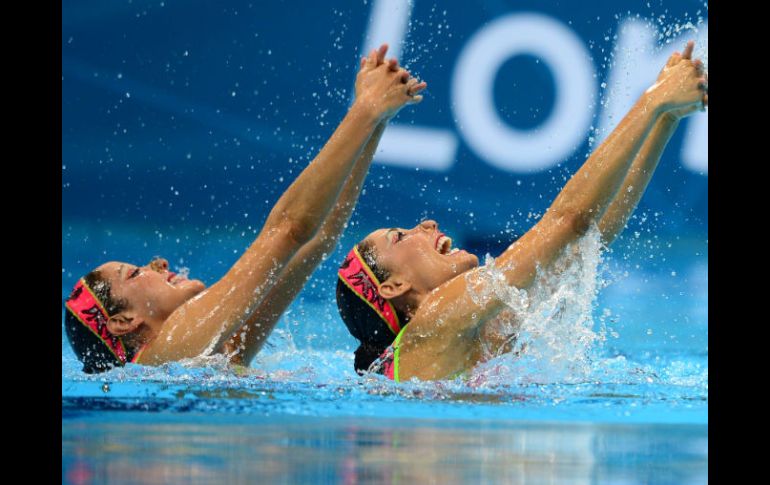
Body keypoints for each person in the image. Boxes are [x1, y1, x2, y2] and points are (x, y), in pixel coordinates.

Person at [336, 41, 707, 381]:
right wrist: (653, 101)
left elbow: (590, 234)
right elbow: (567, 223)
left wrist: (665, 119)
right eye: (400, 237)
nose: (425, 224)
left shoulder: (476, 324)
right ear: (393, 287)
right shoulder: (433, 321)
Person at [64, 44, 427, 373]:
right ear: (123, 322)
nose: (157, 262)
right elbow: (288, 230)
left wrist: (376, 121)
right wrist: (364, 111)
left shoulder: (214, 352)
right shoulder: (165, 355)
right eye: (134, 273)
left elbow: (317, 237)